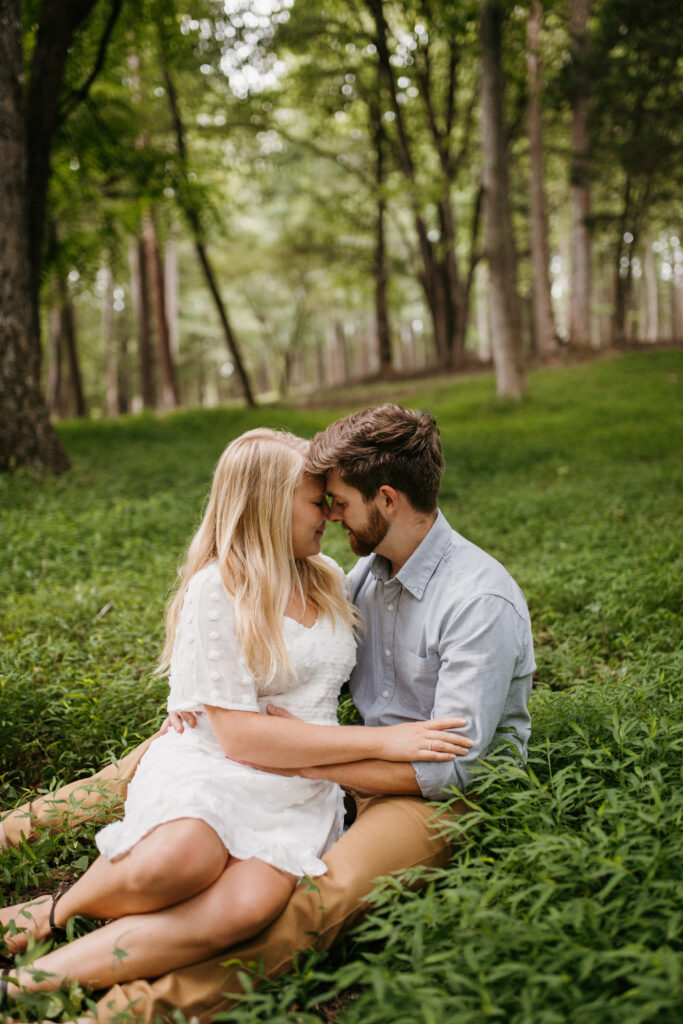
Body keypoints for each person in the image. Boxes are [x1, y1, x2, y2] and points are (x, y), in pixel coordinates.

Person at [0, 405, 534, 1024]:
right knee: (146, 762)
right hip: (325, 754)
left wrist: (295, 760)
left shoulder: (478, 601)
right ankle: (27, 871)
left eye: (337, 502)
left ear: (386, 499)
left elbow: (452, 769)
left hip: (422, 790)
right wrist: (209, 719)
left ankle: (123, 1011)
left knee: (308, 898)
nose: (331, 515)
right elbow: (277, 653)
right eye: (322, 502)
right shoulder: (362, 576)